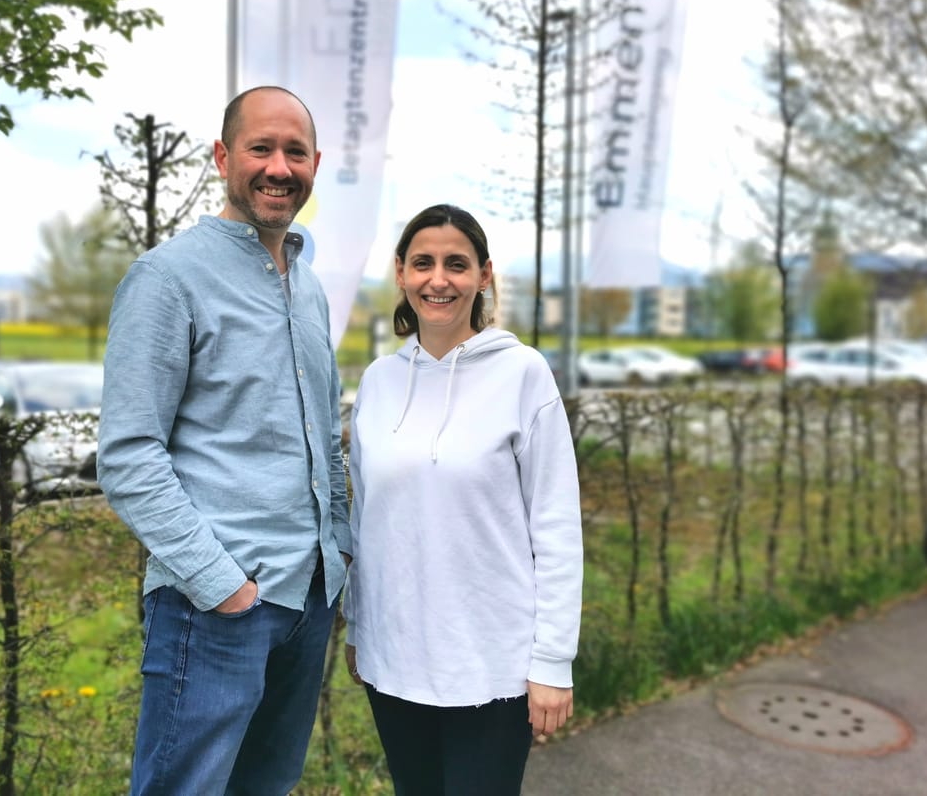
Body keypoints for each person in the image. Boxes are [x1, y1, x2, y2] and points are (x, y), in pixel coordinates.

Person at [97, 86, 351, 796]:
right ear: (222, 157)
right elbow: (127, 457)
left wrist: (340, 556)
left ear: (315, 164)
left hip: (306, 600)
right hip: (214, 611)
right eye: (261, 148)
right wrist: (223, 588)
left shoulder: (308, 289)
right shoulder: (167, 279)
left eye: (294, 152)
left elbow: (325, 444)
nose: (279, 167)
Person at [342, 203, 583, 796]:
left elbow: (554, 524)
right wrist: (357, 626)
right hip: (394, 659)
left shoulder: (524, 374)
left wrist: (552, 662)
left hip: (490, 666)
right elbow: (364, 519)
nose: (438, 279)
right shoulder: (378, 382)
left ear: (484, 275)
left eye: (456, 263)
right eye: (422, 263)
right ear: (401, 273)